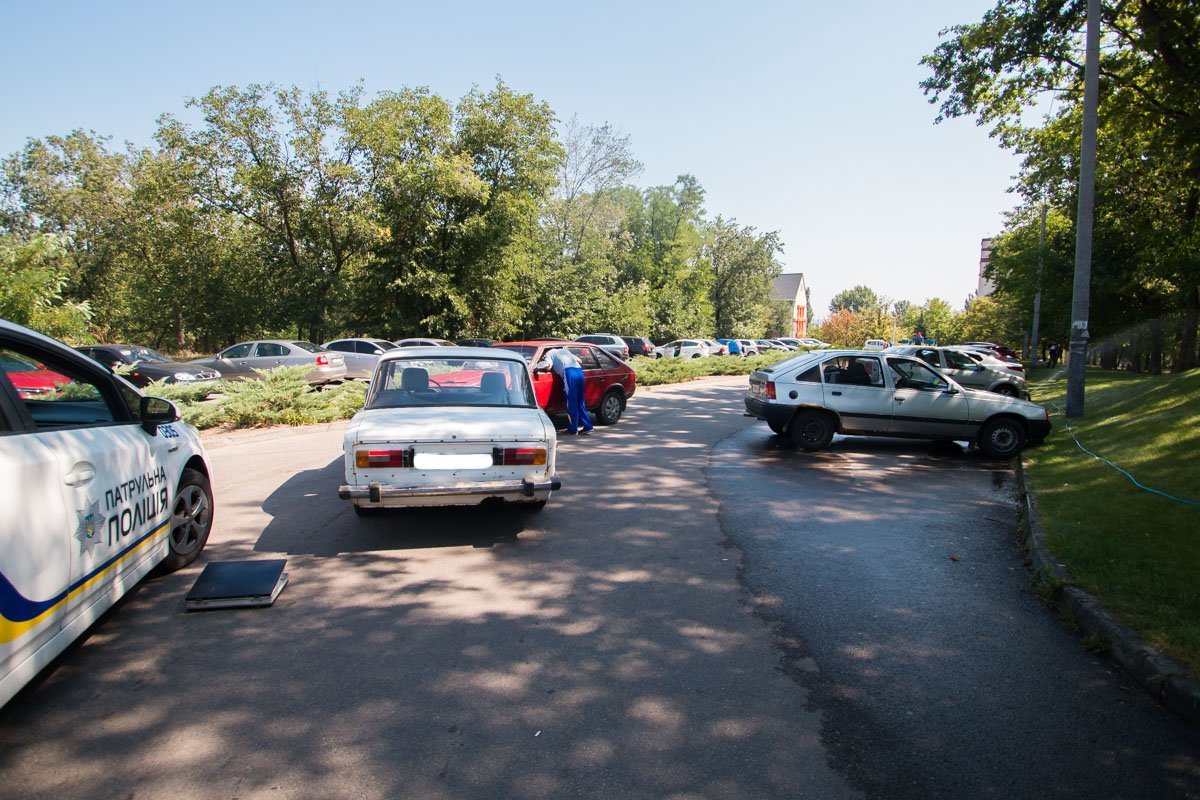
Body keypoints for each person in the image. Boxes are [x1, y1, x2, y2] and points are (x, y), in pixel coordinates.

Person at [548, 347, 593, 435]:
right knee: (580, 401)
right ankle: (588, 426)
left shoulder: (549, 354)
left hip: (569, 373)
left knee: (571, 402)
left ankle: (573, 429)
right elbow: (579, 360)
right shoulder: (565, 351)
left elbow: (548, 365)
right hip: (579, 372)